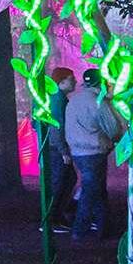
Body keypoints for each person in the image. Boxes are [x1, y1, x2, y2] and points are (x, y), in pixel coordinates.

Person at [65, 68, 125, 241]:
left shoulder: (74, 101)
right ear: (101, 83)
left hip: (77, 152)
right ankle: (79, 229)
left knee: (96, 190)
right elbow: (113, 129)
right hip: (94, 151)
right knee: (91, 191)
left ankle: (103, 227)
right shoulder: (98, 102)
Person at [45, 67, 78, 232]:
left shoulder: (58, 98)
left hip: (55, 147)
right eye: (71, 79)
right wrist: (63, 150)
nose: (75, 81)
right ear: (61, 82)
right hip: (56, 148)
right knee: (61, 182)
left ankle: (56, 216)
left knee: (67, 179)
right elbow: (57, 127)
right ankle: (51, 219)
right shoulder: (58, 100)